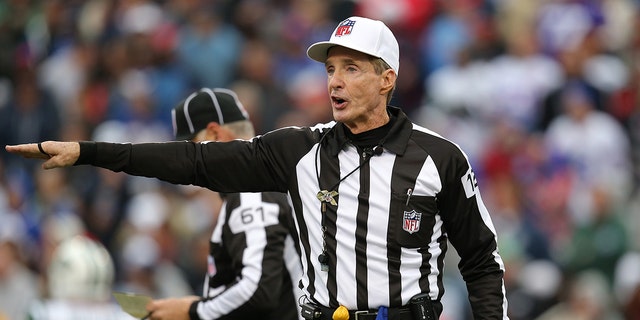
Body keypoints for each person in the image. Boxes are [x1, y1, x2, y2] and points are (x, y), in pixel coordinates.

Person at [6, 16, 509, 320]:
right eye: (330, 68)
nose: (334, 81)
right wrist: (88, 151)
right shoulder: (299, 151)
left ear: (386, 80)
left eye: (351, 68)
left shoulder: (438, 157)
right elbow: (193, 161)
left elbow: (482, 263)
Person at [141, 87, 303, 320]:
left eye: (189, 150)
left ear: (214, 135)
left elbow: (259, 292)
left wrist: (192, 310)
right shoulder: (258, 185)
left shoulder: (251, 190)